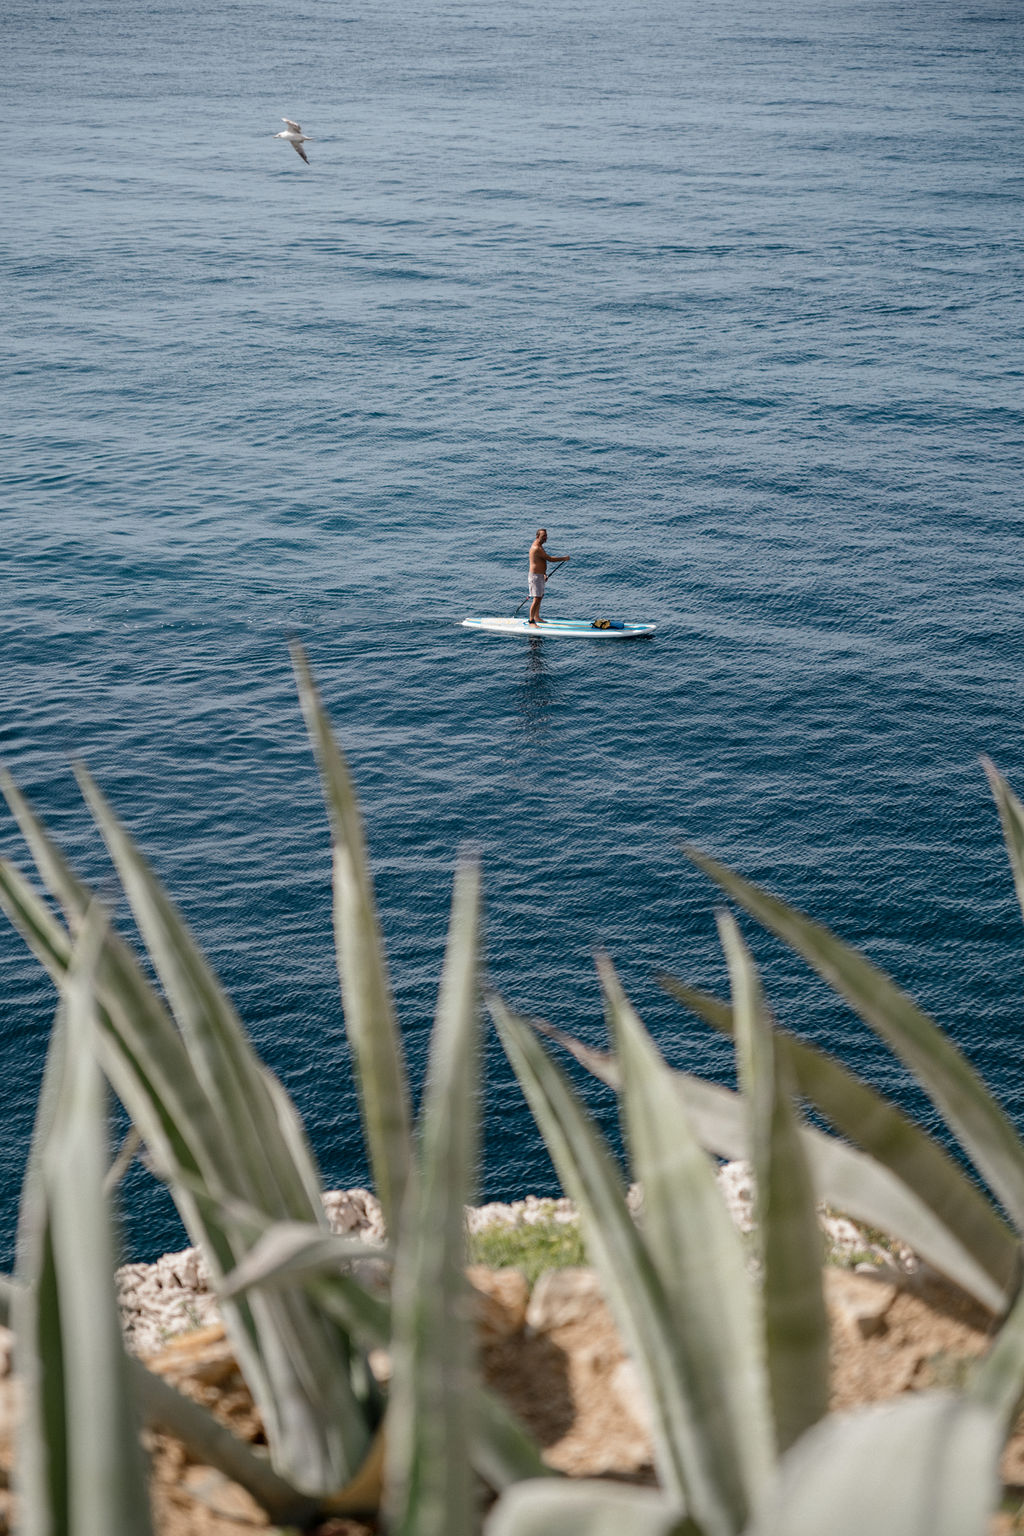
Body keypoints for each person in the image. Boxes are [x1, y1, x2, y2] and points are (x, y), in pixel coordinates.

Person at [528, 529, 570, 624]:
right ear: (537, 536)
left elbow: (540, 561)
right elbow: (549, 559)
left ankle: (537, 617)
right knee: (536, 598)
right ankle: (531, 620)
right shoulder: (536, 548)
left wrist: (544, 574)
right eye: (543, 536)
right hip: (535, 577)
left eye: (546, 535)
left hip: (540, 575)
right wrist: (564, 558)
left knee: (540, 596)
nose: (545, 538)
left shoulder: (540, 546)